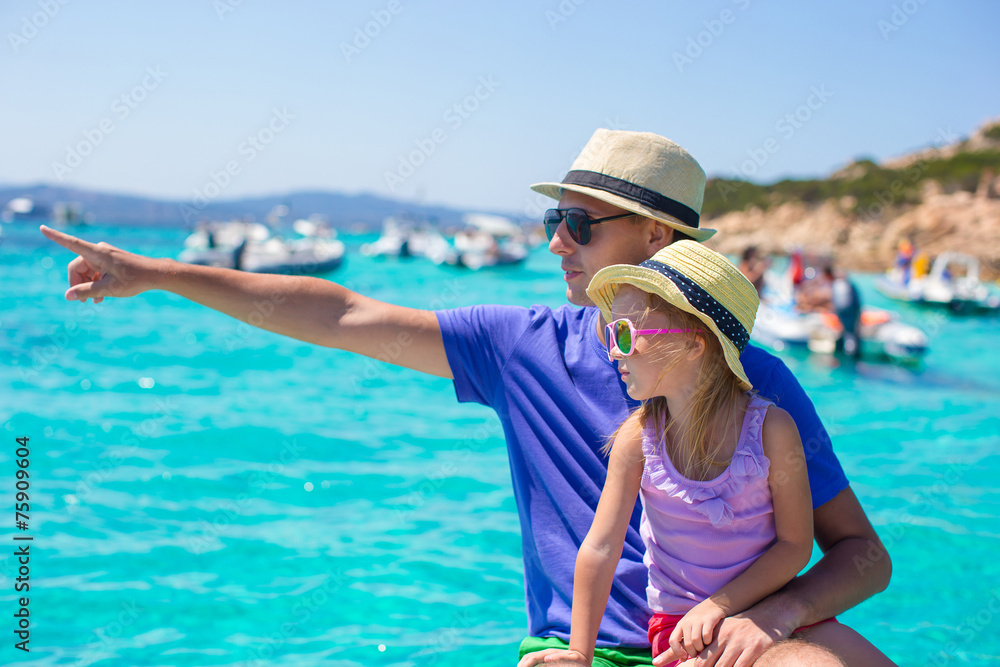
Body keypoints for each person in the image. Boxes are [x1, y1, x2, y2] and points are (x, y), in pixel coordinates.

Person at [40, 129, 894, 666]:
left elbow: (859, 554)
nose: (555, 240)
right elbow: (341, 310)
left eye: (579, 223)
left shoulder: (758, 387)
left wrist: (774, 616)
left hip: (721, 640)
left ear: (656, 240)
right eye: (552, 220)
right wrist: (152, 273)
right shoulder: (520, 345)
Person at [516, 241, 820, 667]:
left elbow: (794, 545)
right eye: (609, 332)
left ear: (694, 344)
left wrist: (719, 605)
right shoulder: (638, 439)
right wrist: (579, 653)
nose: (612, 351)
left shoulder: (772, 430)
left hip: (766, 616)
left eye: (624, 334)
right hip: (682, 634)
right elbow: (601, 549)